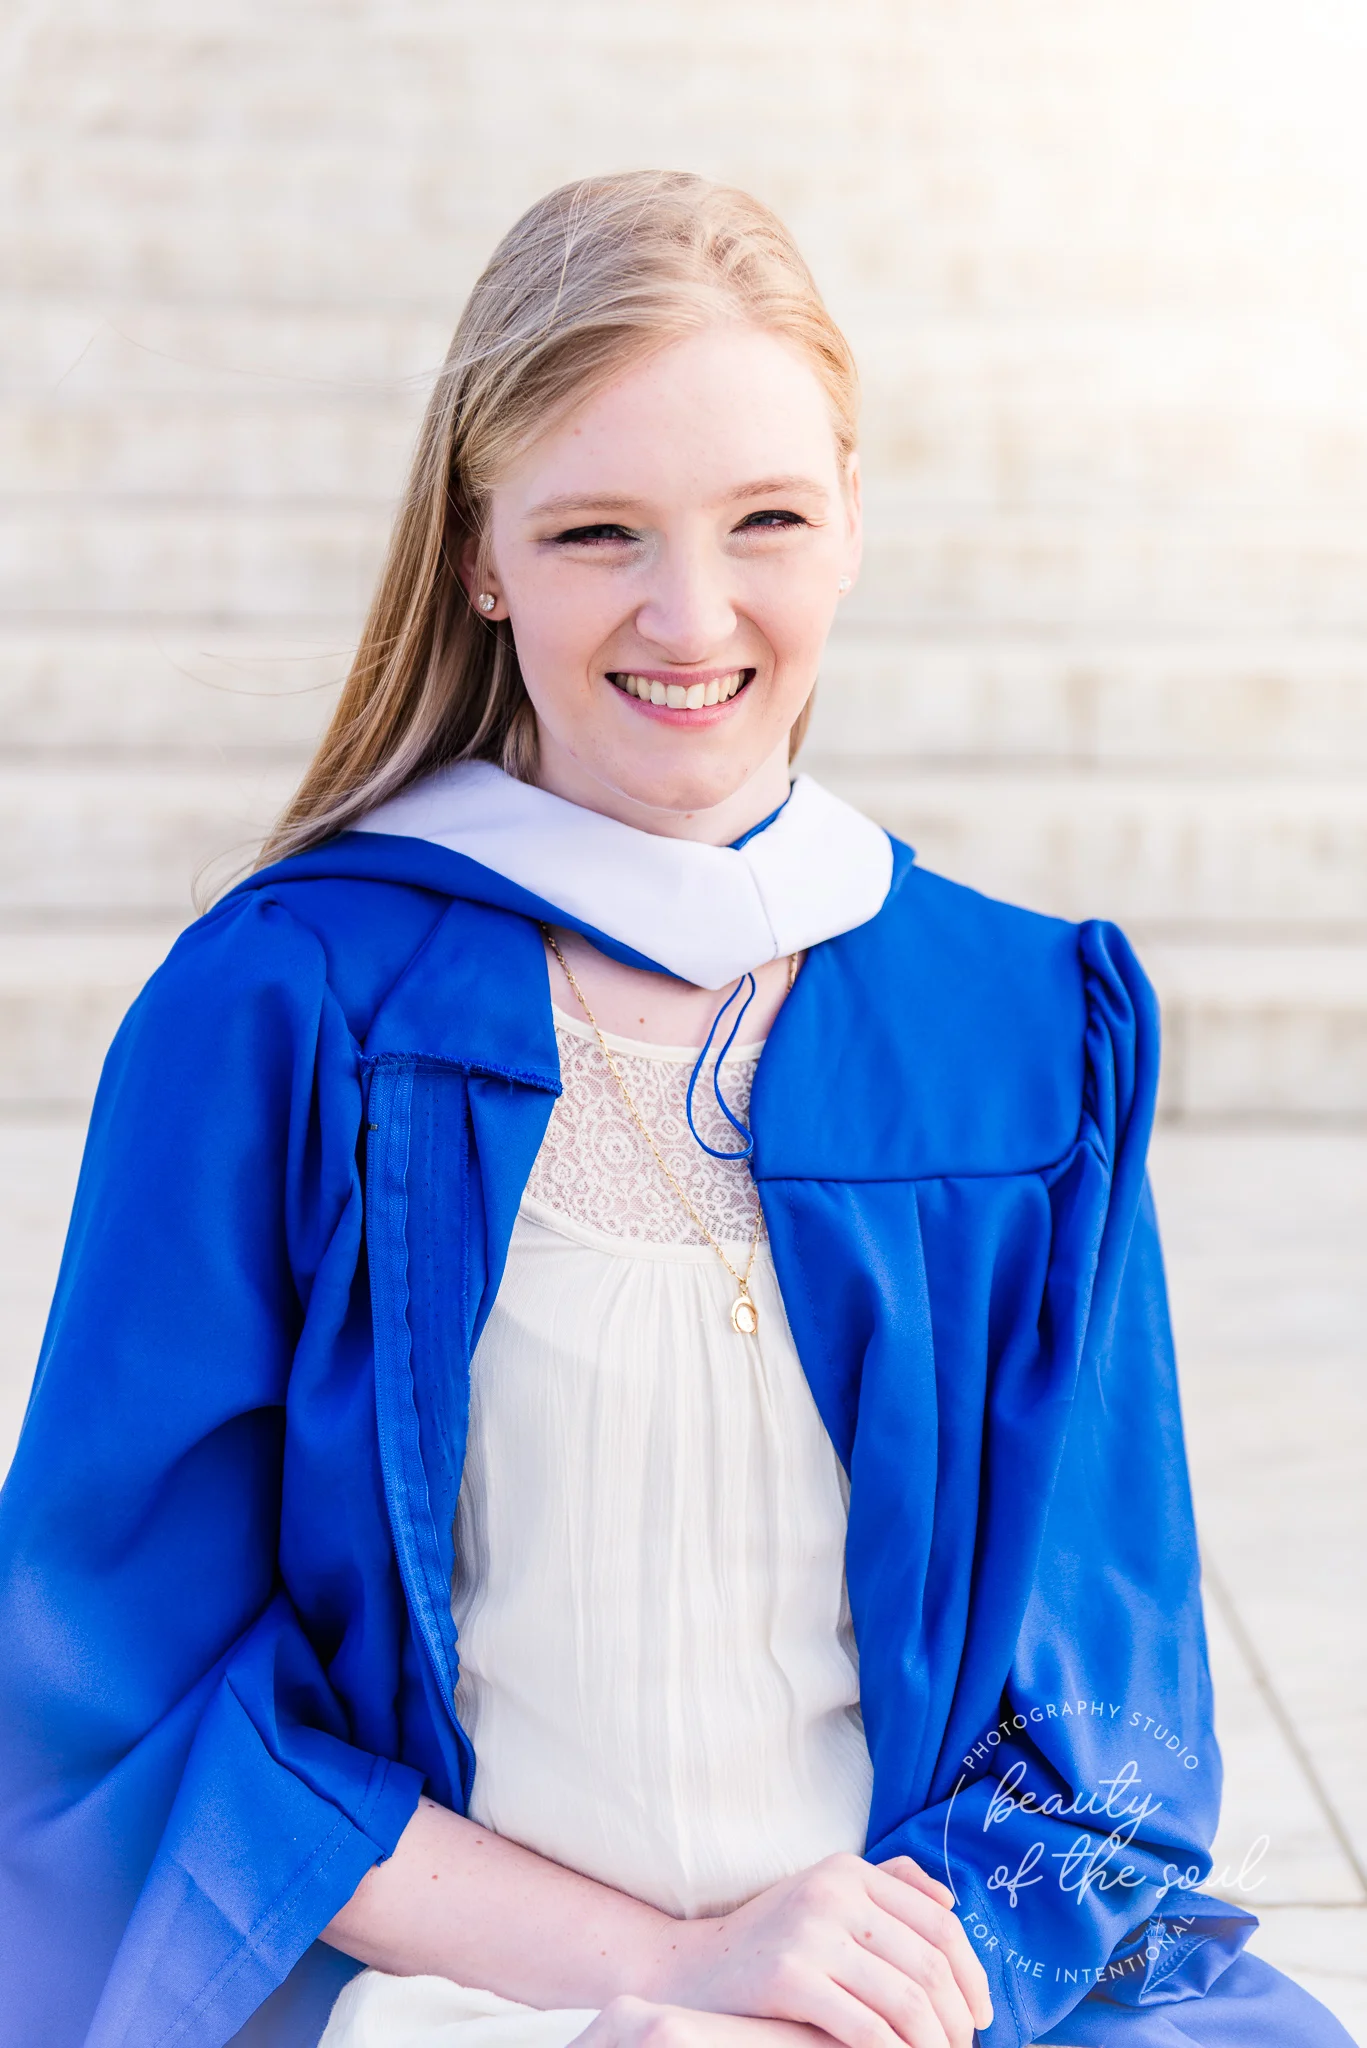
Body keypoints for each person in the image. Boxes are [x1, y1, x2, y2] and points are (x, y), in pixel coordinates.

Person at [0, 172, 1351, 2048]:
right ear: (477, 554)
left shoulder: (1018, 1037)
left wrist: (808, 2011)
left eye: (766, 519)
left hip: (919, 1999)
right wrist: (656, 1977)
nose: (689, 615)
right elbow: (111, 1697)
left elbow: (1100, 1735)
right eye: (594, 533)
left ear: (856, 521)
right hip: (449, 1986)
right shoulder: (288, 1014)